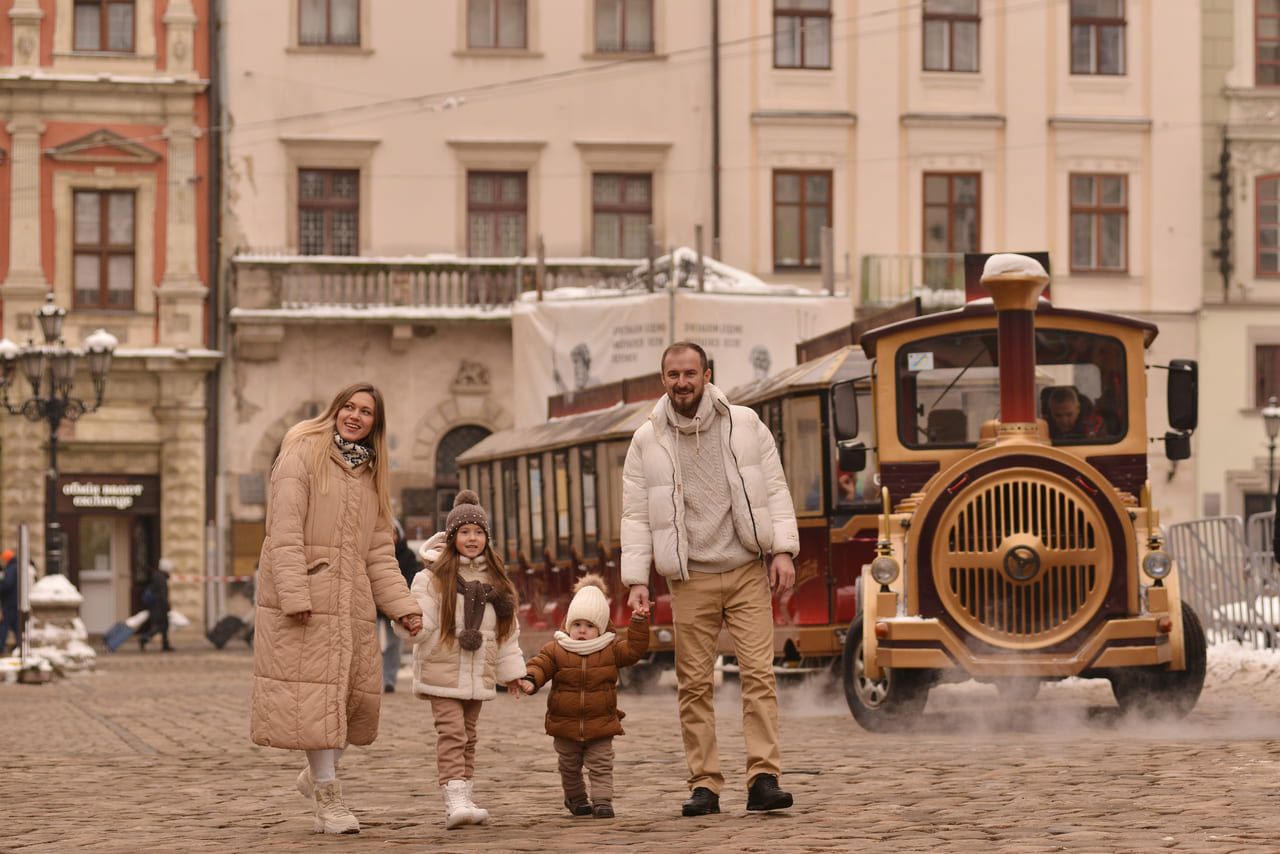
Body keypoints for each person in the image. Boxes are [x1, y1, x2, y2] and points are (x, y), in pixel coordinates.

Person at [621, 341, 799, 817]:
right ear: (663, 379)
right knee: (693, 684)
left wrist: (782, 549)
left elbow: (775, 488)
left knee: (759, 676)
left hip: (744, 569)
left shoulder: (745, 424)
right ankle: (705, 783)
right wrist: (637, 578)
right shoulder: (646, 440)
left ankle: (763, 777)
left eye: (690, 373)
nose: (682, 382)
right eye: (673, 374)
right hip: (690, 575)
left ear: (707, 374)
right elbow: (636, 514)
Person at [250, 382, 423, 836]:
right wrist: (295, 595)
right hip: (308, 598)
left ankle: (316, 776)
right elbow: (283, 532)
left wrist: (402, 606)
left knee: (348, 702)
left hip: (353, 604)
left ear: (375, 425)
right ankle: (328, 799)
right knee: (318, 702)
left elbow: (380, 554)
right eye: (349, 406)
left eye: (366, 412)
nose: (355, 416)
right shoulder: (302, 454)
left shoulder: (372, 475)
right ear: (335, 410)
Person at [397, 490, 523, 830]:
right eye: (465, 532)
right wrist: (412, 623)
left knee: (469, 734)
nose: (472, 538)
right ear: (452, 537)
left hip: (477, 673)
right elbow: (423, 624)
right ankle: (453, 796)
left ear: (486, 538)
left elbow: (507, 633)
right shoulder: (432, 578)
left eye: (478, 532)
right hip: (443, 671)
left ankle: (465, 794)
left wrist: (512, 673)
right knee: (452, 733)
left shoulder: (497, 581)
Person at [516, 574, 650, 819]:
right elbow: (540, 665)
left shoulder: (610, 648)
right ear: (568, 624)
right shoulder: (557, 648)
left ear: (600, 628)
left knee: (601, 765)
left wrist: (639, 623)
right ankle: (576, 799)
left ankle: (602, 801)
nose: (581, 631)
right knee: (569, 767)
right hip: (564, 723)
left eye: (589, 627)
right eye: (577, 625)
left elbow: (634, 650)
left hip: (600, 723)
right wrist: (530, 679)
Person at [380, 521, 419, 693]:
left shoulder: (407, 555)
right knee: (369, 644)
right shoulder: (374, 552)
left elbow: (413, 577)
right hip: (373, 604)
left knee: (394, 644)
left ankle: (389, 679)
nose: (391, 537)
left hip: (395, 605)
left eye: (393, 533)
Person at [137, 558, 174, 652]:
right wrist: (167, 605)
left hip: (157, 606)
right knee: (159, 626)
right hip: (159, 607)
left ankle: (165, 645)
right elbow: (162, 594)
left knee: (164, 626)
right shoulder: (161, 578)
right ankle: (144, 638)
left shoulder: (158, 576)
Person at [0, 549, 18, 654]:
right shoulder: (15, 567)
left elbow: (7, 584)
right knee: (15, 626)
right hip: (14, 602)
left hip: (9, 603)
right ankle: (19, 645)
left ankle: (0, 647)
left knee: (4, 626)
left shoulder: (11, 569)